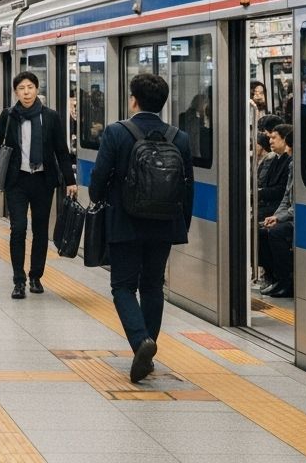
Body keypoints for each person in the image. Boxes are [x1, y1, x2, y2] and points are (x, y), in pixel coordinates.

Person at [88, 73, 194, 381]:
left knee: (122, 286)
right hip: (164, 224)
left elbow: (99, 180)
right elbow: (187, 187)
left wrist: (102, 201)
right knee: (152, 285)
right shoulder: (179, 137)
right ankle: (148, 349)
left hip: (125, 222)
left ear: (133, 99)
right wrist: (180, 225)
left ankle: (141, 342)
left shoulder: (117, 132)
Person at [0, 72, 77, 299]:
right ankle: (19, 280)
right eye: (21, 88)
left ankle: (36, 276)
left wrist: (71, 181)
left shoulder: (51, 117)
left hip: (43, 180)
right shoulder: (9, 115)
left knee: (40, 230)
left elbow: (61, 151)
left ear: (37, 90)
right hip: (17, 180)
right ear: (16, 92)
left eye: (30, 87)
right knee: (18, 228)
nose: (26, 92)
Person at [259, 124, 296, 298]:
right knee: (262, 231)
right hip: (288, 213)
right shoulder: (288, 164)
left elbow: (295, 204)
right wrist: (276, 216)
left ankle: (286, 281)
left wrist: (280, 218)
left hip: (297, 217)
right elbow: (287, 198)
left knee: (276, 233)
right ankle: (274, 276)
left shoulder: (294, 164)